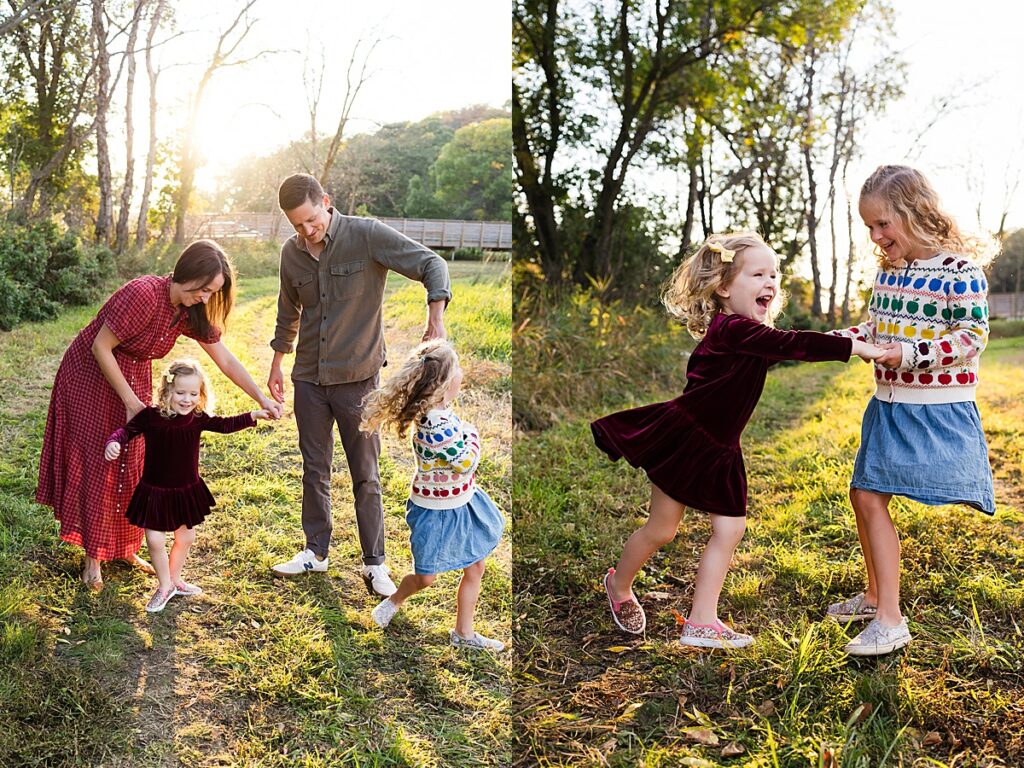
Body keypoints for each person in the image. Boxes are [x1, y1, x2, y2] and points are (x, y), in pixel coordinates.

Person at [592, 233, 884, 649]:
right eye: (758, 274)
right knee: (661, 530)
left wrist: (846, 338)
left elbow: (791, 344)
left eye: (774, 274)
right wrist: (856, 346)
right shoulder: (731, 328)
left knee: (730, 529)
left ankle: (701, 622)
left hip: (721, 448)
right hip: (686, 439)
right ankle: (618, 585)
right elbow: (794, 343)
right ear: (725, 288)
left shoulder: (751, 333)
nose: (771, 282)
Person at [36, 240, 283, 590]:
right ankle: (93, 557)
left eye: (214, 293)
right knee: (101, 459)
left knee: (136, 461)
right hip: (90, 374)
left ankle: (122, 546)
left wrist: (261, 396)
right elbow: (100, 346)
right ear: (189, 275)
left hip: (133, 373)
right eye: (206, 290)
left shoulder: (188, 311)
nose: (207, 299)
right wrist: (131, 402)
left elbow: (224, 359)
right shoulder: (143, 294)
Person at [826, 165, 996, 657]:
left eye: (883, 224)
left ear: (914, 212)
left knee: (871, 497)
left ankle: (891, 620)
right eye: (869, 228)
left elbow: (971, 337)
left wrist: (909, 355)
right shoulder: (889, 273)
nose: (876, 237)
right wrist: (835, 341)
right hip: (888, 404)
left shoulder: (958, 271)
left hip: (935, 408)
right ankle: (876, 596)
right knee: (863, 496)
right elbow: (877, 328)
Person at [268, 173, 451, 596]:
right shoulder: (291, 255)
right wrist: (278, 363)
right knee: (314, 469)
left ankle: (375, 564)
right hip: (309, 378)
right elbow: (287, 313)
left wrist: (435, 317)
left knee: (365, 473)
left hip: (358, 381)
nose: (307, 231)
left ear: (326, 202)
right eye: (297, 225)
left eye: (312, 220)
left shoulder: (365, 235)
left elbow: (432, 264)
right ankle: (315, 552)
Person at [360, 339, 506, 651]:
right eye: (457, 370)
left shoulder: (440, 410)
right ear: (442, 385)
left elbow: (461, 445)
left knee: (476, 566)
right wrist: (474, 435)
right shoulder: (435, 425)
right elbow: (467, 461)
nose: (462, 373)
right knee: (427, 578)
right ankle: (395, 599)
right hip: (435, 512)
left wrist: (465, 433)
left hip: (461, 503)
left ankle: (464, 633)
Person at [104, 360, 273, 611]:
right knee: (155, 539)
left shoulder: (196, 419)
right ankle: (164, 586)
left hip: (185, 490)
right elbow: (126, 431)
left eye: (193, 394)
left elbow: (224, 425)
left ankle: (175, 580)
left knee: (186, 537)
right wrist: (113, 442)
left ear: (201, 394)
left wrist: (253, 416)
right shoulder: (152, 417)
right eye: (180, 393)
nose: (187, 399)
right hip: (156, 490)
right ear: (167, 392)